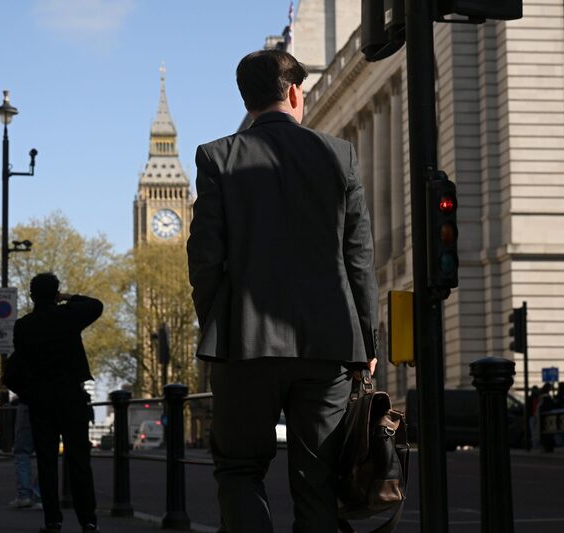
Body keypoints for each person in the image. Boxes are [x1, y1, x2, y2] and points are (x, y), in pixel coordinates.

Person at [186, 49, 379, 532]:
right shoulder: (339, 155)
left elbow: (205, 258)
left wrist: (219, 322)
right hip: (329, 344)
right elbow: (359, 255)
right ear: (295, 93)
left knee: (239, 470)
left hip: (244, 344)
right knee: (318, 480)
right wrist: (368, 342)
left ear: (247, 100)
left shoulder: (217, 157)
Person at [12, 272, 103, 533]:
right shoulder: (68, 317)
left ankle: (52, 519)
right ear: (56, 293)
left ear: (31, 296)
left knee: (46, 459)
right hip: (71, 396)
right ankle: (88, 519)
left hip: (41, 398)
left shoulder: (23, 326)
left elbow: (22, 362)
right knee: (79, 459)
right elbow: (95, 305)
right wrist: (68, 298)